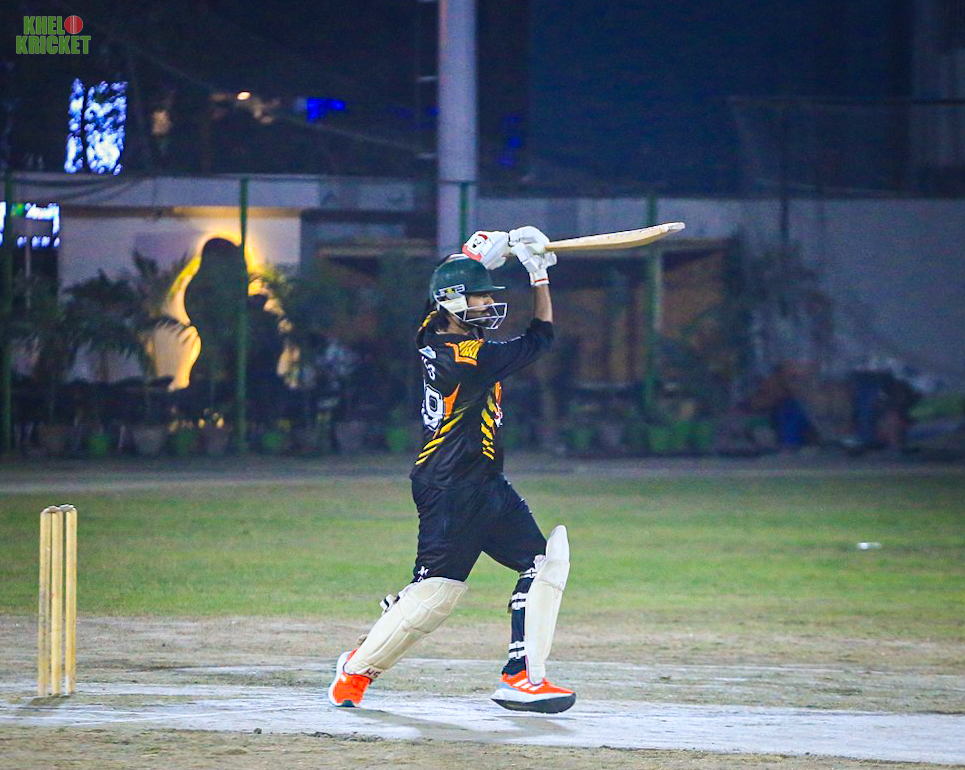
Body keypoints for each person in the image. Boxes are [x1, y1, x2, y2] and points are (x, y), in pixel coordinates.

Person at [327, 226, 575, 714]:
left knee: (543, 563)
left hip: (484, 481)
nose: (489, 305)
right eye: (480, 298)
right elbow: (540, 338)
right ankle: (355, 670)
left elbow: (440, 287)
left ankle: (522, 676)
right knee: (436, 596)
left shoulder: (431, 330)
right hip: (449, 486)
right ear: (453, 304)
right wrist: (539, 276)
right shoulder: (469, 357)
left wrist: (474, 257)